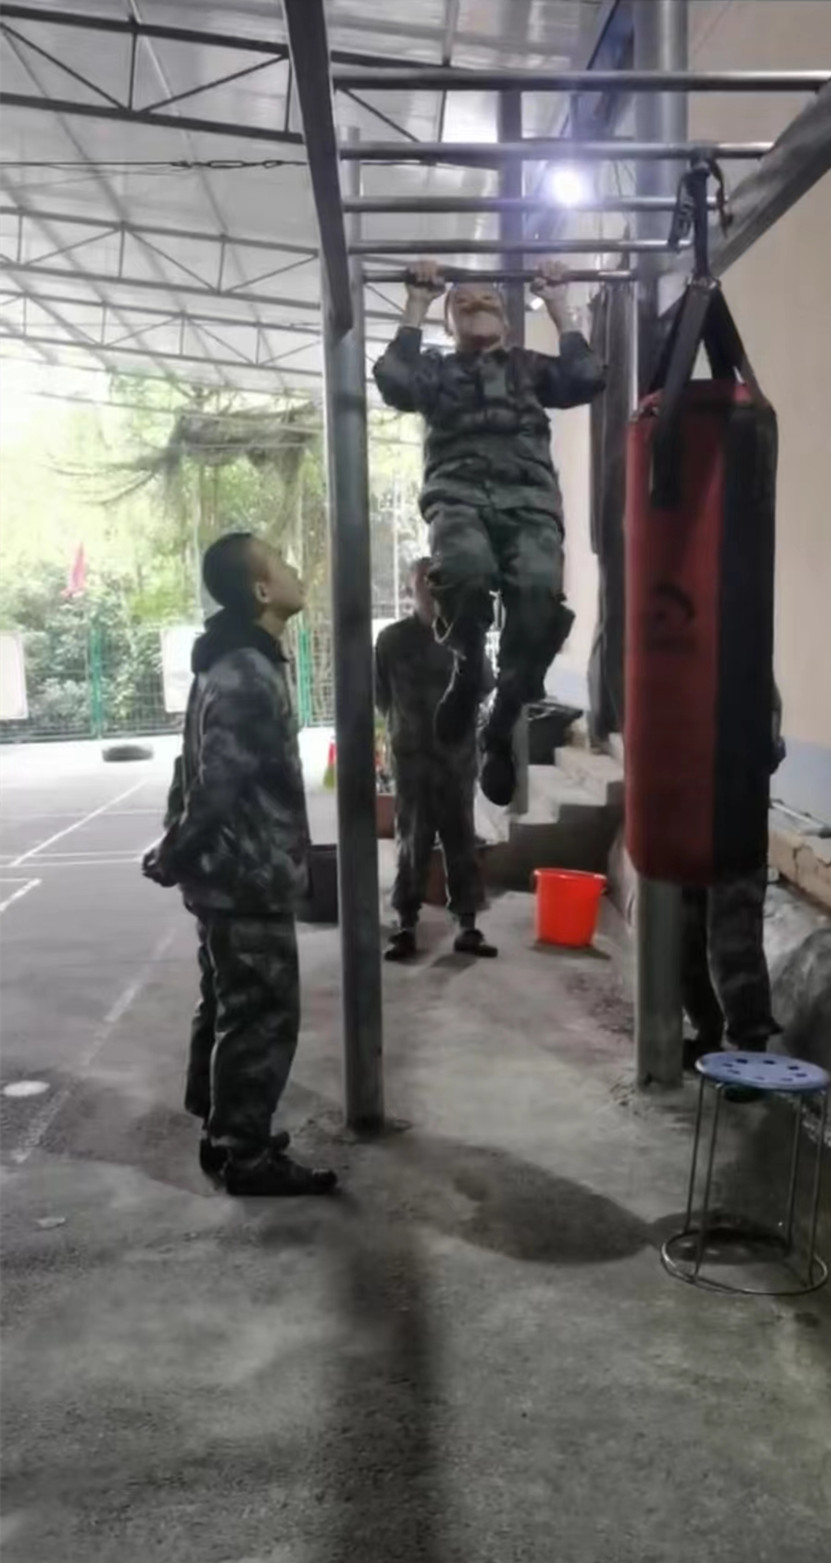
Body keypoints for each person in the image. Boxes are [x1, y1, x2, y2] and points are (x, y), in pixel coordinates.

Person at [142, 532, 337, 1198]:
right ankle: (246, 1156)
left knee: (228, 1002)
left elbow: (190, 766)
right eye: (280, 562)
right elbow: (215, 783)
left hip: (228, 875)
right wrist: (174, 850)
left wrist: (178, 848)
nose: (293, 569)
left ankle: (222, 1130)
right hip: (246, 877)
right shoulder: (248, 673)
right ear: (261, 591)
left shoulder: (229, 660)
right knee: (261, 1015)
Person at [372, 259, 606, 808]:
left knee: (539, 597)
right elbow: (394, 382)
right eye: (464, 303)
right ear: (449, 323)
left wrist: (559, 304)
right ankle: (469, 664)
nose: (477, 307)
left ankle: (501, 724)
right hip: (459, 497)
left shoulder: (527, 367)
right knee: (464, 573)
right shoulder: (435, 371)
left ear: (506, 320)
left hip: (529, 501)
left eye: (489, 302)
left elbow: (586, 377)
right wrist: (416, 303)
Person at [375, 557, 497, 962]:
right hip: (412, 763)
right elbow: (381, 697)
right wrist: (405, 733)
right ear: (410, 592)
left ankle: (468, 926)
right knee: (411, 843)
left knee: (462, 842)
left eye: (437, 585)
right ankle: (406, 925)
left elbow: (483, 686)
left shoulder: (464, 639)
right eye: (423, 585)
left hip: (456, 761)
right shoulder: (391, 641)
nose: (431, 593)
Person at [682, 680, 787, 1067]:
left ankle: (750, 1049)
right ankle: (707, 1031)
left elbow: (770, 748)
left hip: (736, 816)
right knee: (685, 934)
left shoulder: (749, 671)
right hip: (687, 813)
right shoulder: (683, 664)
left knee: (735, 938)